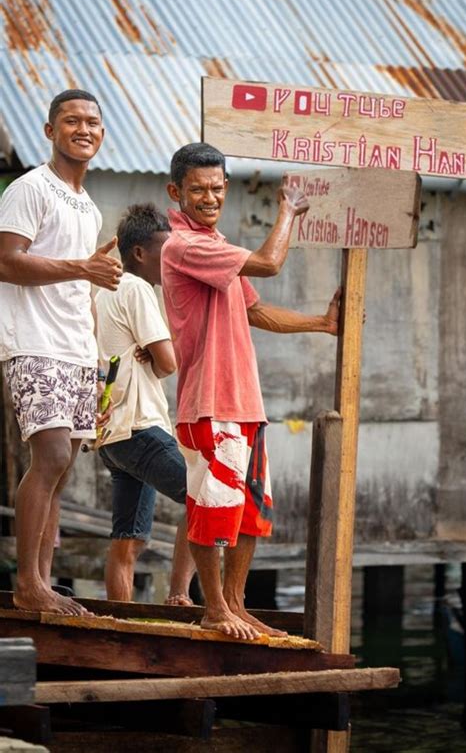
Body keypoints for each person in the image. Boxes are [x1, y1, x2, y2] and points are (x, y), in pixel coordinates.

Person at [161, 142, 340, 640]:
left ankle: (236, 605)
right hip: (209, 403)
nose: (210, 196)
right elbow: (270, 262)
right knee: (212, 508)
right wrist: (288, 210)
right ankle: (215, 608)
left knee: (250, 515)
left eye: (218, 187)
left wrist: (322, 324)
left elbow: (257, 311)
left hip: (244, 403)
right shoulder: (185, 245)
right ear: (177, 193)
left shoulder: (217, 247)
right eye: (198, 189)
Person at [0, 89, 122, 615]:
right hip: (33, 343)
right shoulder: (31, 188)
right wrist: (81, 267)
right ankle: (28, 583)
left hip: (75, 350)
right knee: (48, 455)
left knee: (64, 464)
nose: (84, 128)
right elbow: (7, 262)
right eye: (71, 120)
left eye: (93, 121)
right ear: (50, 131)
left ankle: (43, 583)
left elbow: (81, 293)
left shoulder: (88, 206)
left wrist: (97, 367)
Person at [94, 203, 195, 604]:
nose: (170, 260)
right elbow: (168, 362)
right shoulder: (136, 288)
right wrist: (155, 354)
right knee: (204, 497)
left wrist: (148, 352)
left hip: (112, 436)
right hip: (140, 426)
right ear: (139, 253)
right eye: (164, 250)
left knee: (127, 540)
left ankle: (120, 621)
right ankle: (180, 597)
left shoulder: (102, 290)